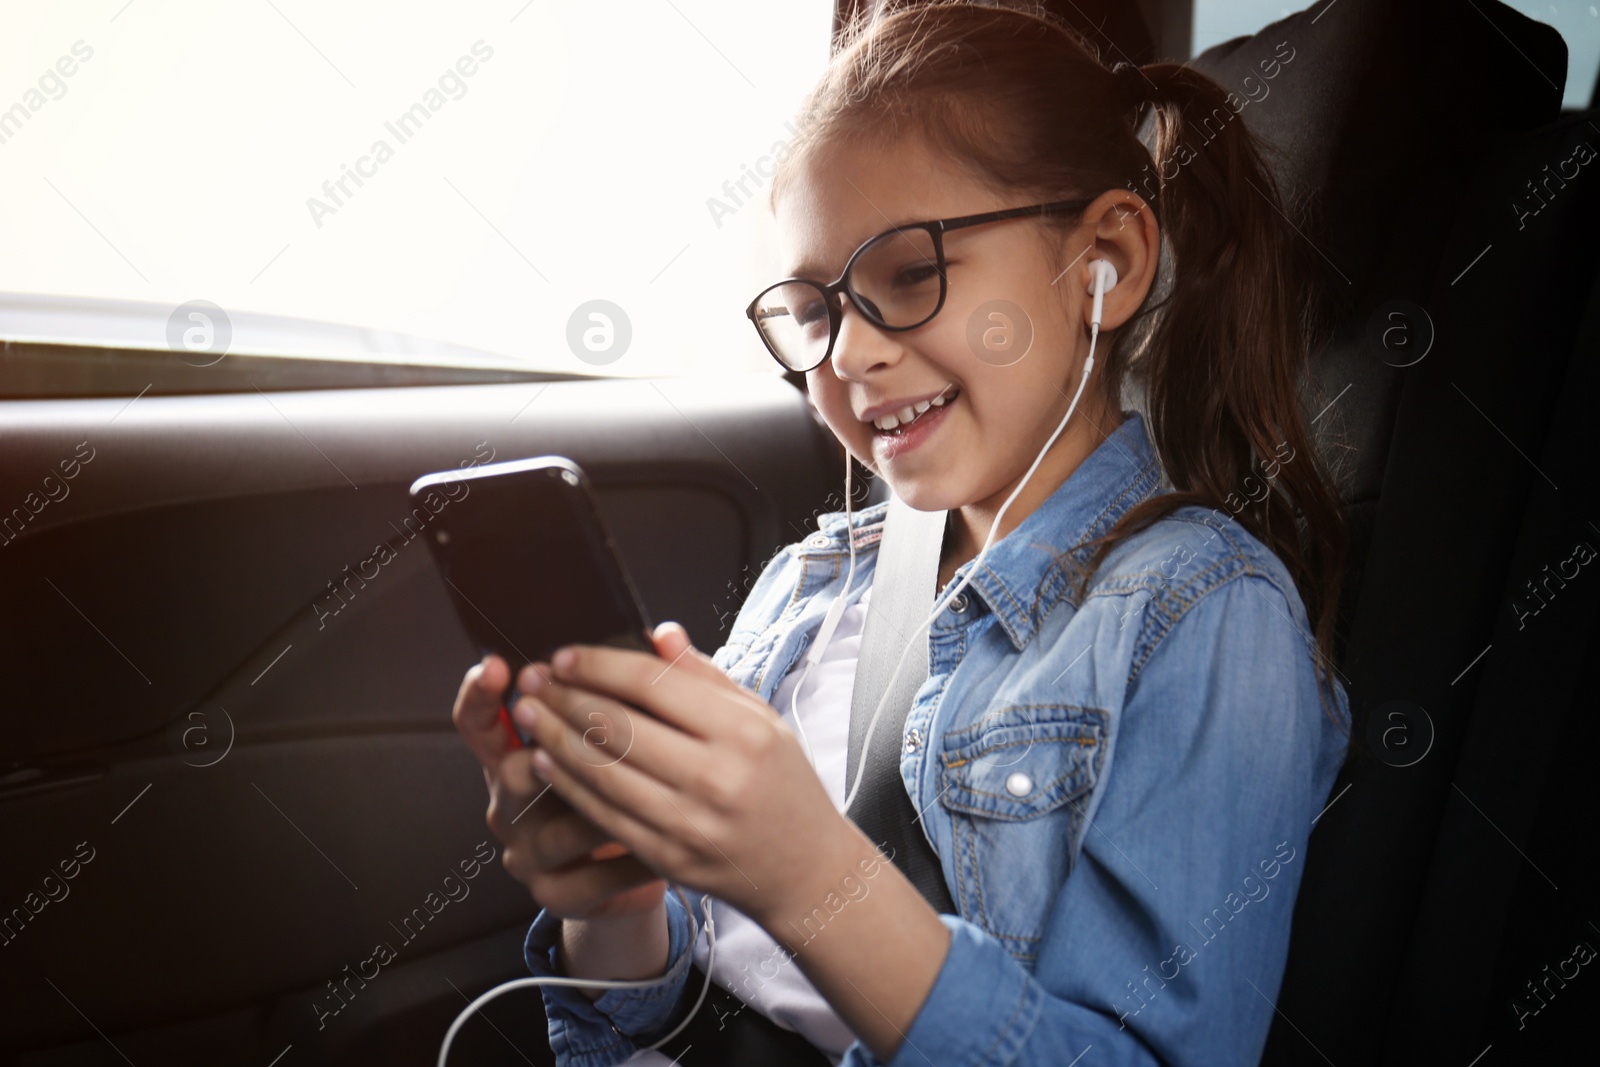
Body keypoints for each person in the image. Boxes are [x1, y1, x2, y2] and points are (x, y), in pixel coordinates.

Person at [451, 2, 1352, 1064]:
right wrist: (615, 892)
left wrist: (809, 873)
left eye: (911, 275)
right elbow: (669, 1009)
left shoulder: (1200, 614)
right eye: (815, 309)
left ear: (1105, 258)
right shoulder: (810, 584)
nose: (851, 355)